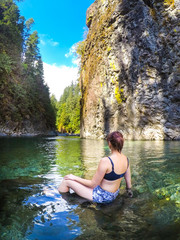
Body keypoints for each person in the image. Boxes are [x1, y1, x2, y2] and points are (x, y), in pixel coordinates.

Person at [58, 131, 132, 204]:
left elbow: (93, 184)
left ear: (109, 143)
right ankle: (82, 200)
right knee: (78, 182)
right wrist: (129, 191)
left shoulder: (106, 161)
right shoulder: (126, 159)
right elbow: (128, 181)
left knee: (66, 181)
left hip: (102, 197)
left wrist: (73, 177)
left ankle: (66, 201)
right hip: (114, 194)